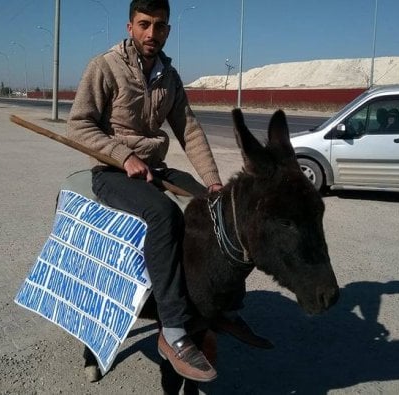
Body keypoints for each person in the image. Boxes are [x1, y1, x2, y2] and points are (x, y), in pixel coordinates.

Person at [68, 0, 266, 382]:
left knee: (215, 209)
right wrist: (123, 156)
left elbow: (188, 130)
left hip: (154, 168)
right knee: (164, 215)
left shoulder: (168, 75)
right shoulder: (104, 66)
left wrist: (212, 180)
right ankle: (173, 328)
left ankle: (223, 306)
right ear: (129, 26)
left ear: (168, 30)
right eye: (144, 25)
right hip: (112, 171)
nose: (151, 34)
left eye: (159, 26)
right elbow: (79, 126)